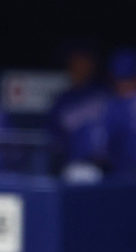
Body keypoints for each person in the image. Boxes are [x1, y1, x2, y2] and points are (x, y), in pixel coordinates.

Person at [45, 42, 110, 180]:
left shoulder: (106, 95)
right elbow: (52, 141)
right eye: (74, 62)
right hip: (73, 168)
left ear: (92, 64)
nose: (78, 67)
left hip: (106, 170)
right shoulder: (62, 101)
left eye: (83, 62)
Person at [102, 47, 136, 179]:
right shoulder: (111, 107)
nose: (124, 84)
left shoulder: (114, 107)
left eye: (129, 79)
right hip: (119, 178)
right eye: (121, 79)